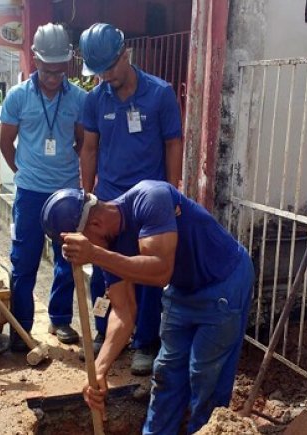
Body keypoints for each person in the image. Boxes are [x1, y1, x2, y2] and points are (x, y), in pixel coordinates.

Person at [41, 181, 254, 434]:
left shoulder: (151, 197)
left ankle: (206, 430)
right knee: (166, 373)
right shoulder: (104, 249)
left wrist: (95, 254)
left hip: (222, 280)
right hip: (183, 290)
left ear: (95, 224)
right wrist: (99, 370)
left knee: (205, 376)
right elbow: (123, 312)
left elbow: (160, 270)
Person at [78, 23, 184, 375]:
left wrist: (172, 193)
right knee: (103, 274)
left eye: (110, 67)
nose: (105, 76)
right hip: (107, 203)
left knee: (149, 274)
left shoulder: (159, 94)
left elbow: (173, 145)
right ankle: (102, 332)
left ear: (126, 54)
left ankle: (145, 342)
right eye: (99, 71)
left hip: (147, 207)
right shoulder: (95, 100)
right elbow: (89, 148)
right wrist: (87, 195)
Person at [0, 23, 88, 350]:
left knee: (67, 258)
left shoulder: (79, 98)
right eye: (48, 70)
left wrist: (68, 174)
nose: (53, 77)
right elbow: (6, 142)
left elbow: (82, 142)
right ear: (35, 60)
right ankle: (21, 329)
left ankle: (60, 320)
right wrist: (24, 172)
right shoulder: (17, 97)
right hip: (30, 193)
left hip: (65, 194)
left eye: (59, 70)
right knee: (24, 259)